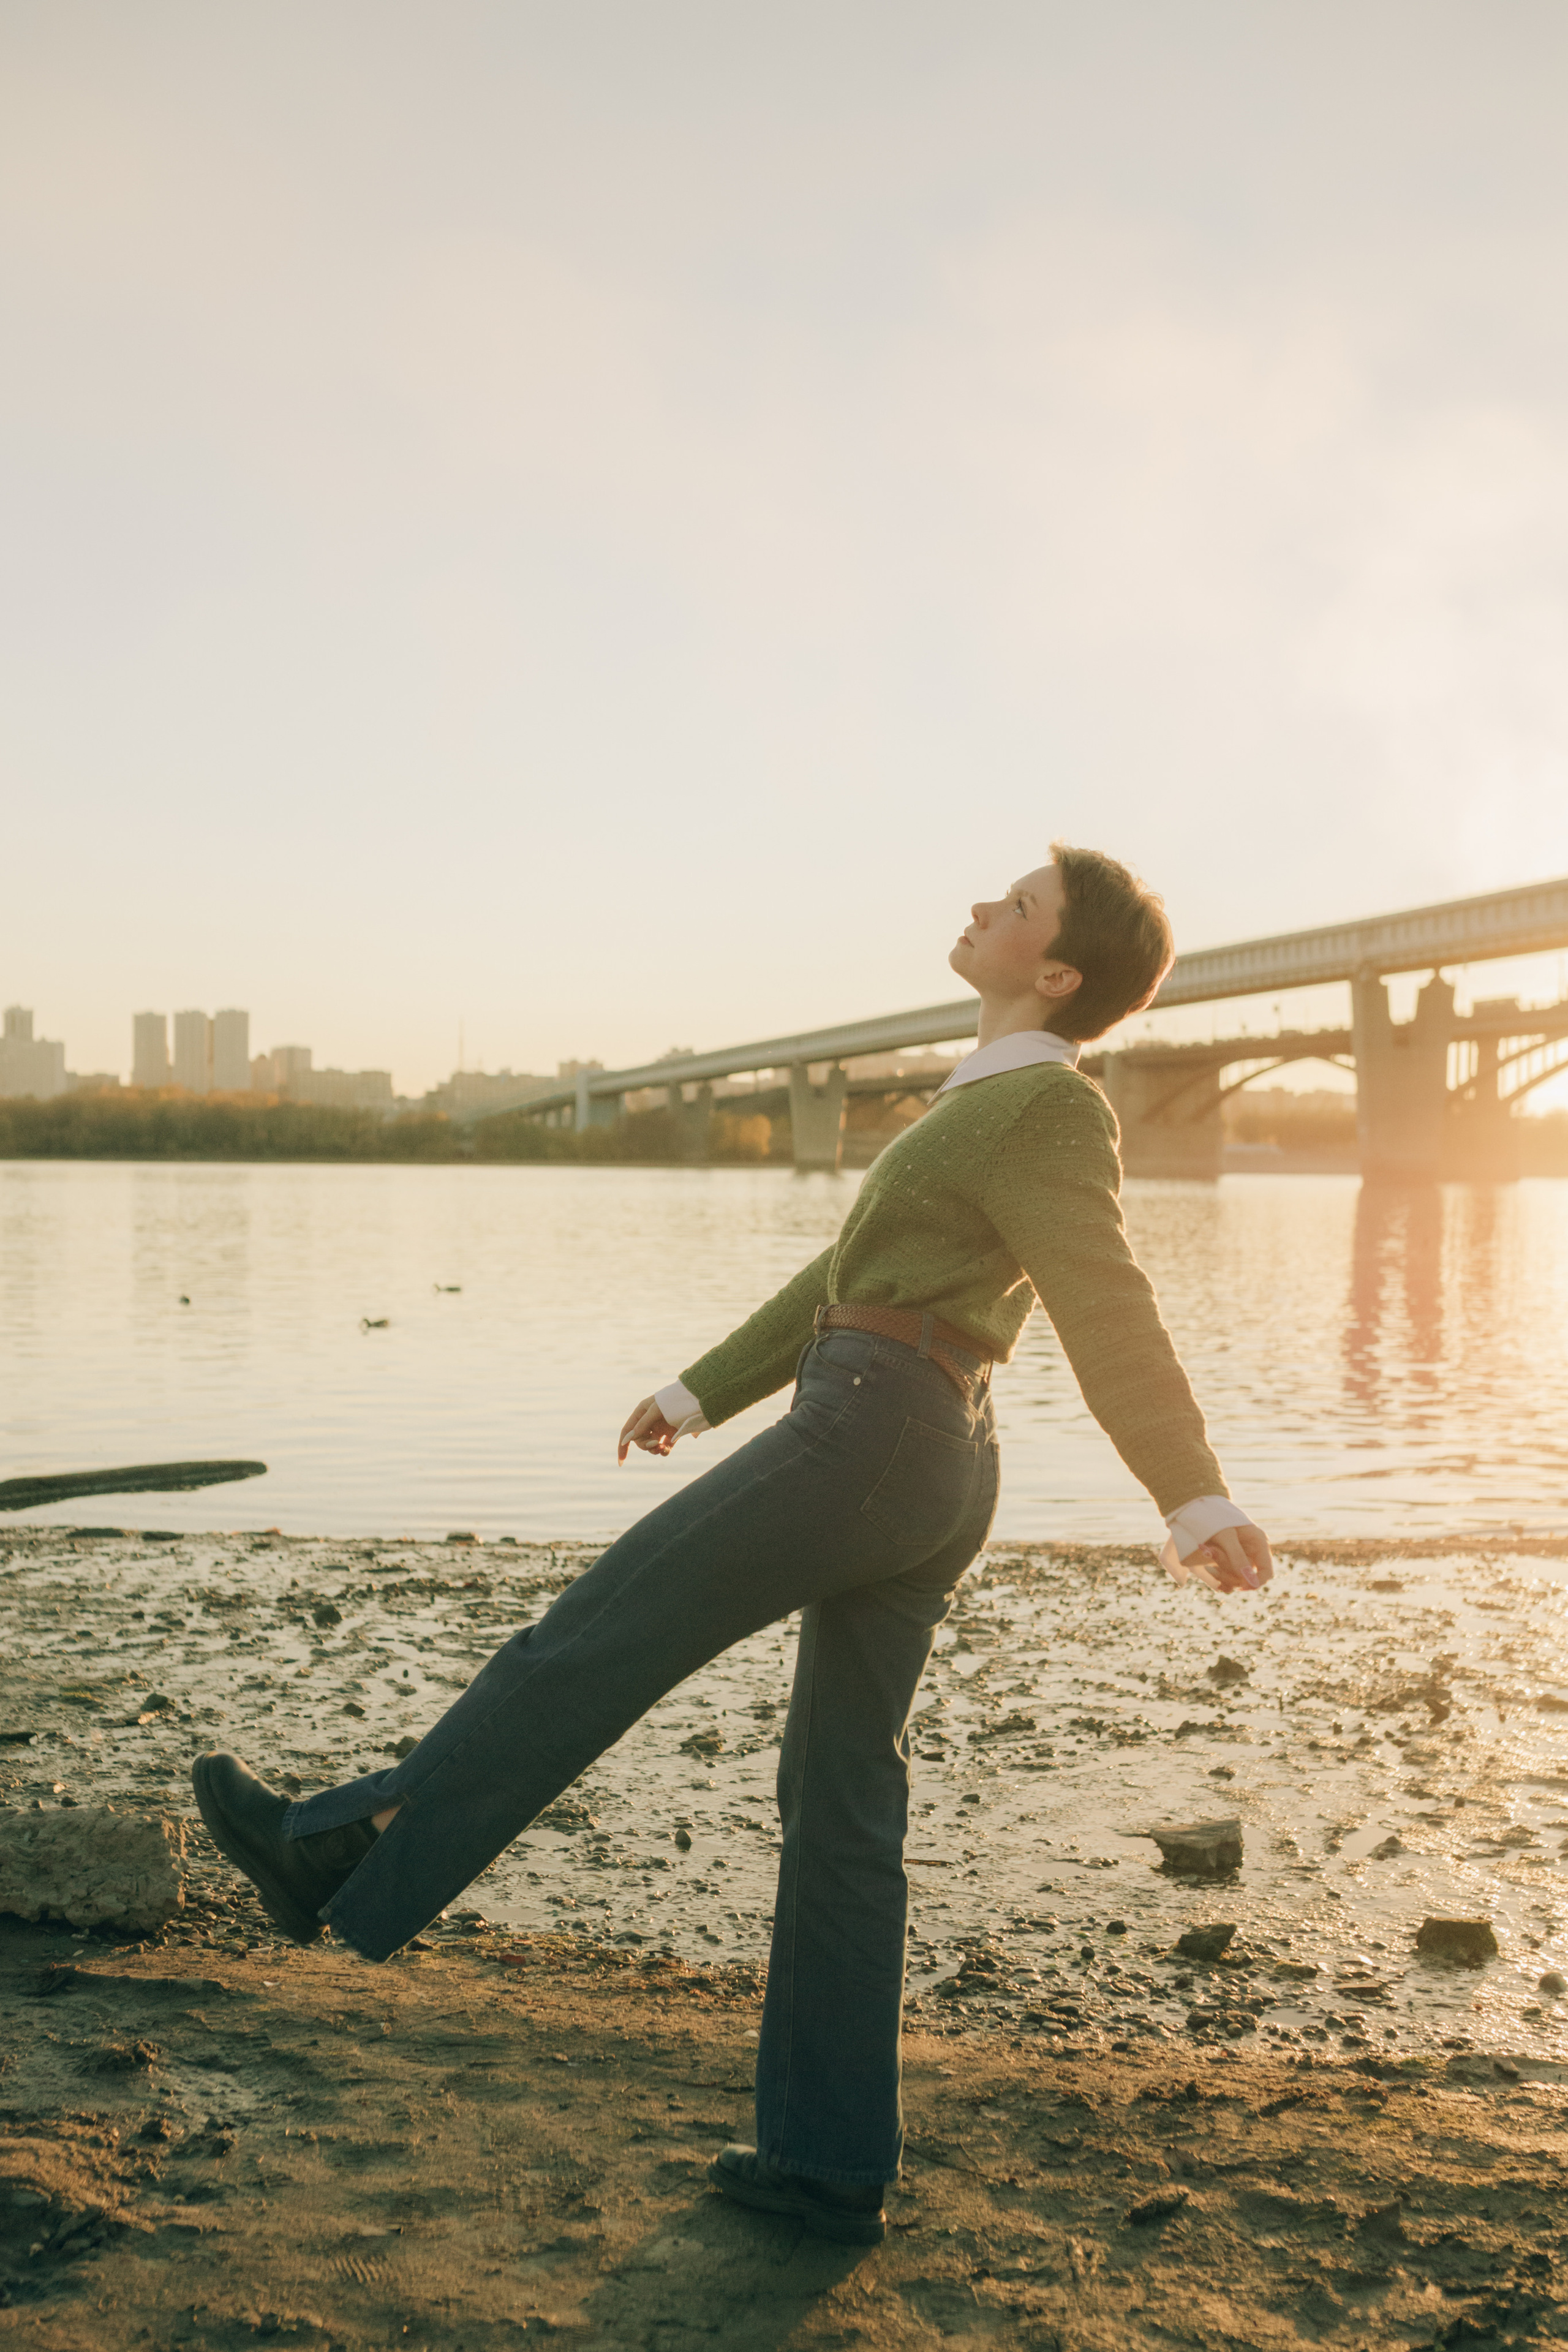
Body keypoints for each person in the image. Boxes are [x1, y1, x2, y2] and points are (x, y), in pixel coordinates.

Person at [193, 843, 1273, 2249]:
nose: (975, 909)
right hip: (918, 1440)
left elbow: (1103, 1295)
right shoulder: (980, 1103)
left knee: (596, 1634)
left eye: (1012, 908)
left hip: (878, 1435)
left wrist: (1188, 1493)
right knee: (838, 1801)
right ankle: (826, 2162)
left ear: (1056, 972)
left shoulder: (1046, 1112)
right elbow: (841, 1280)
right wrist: (702, 1389)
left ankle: (345, 1844)